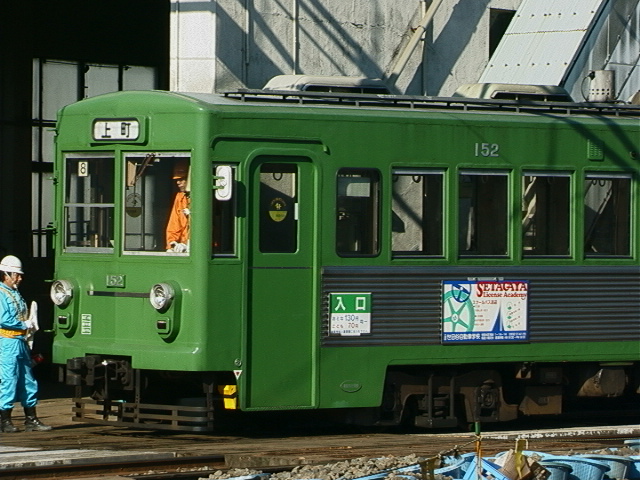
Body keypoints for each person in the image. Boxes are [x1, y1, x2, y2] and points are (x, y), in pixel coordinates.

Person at [0, 255, 51, 432]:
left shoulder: (14, 293)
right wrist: (24, 324)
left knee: (28, 380)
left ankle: (31, 419)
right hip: (7, 342)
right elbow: (3, 319)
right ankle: (5, 421)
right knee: (8, 380)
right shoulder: (1, 294)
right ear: (6, 274)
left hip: (20, 341)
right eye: (16, 274)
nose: (20, 278)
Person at [166, 161, 190, 252]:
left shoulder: (202, 196)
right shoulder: (180, 197)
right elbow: (174, 222)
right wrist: (172, 242)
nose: (178, 183)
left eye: (181, 179)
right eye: (176, 180)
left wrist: (187, 243)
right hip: (183, 246)